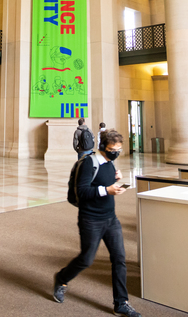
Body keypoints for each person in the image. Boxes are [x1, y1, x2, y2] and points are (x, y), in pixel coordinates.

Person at [53, 130, 141, 317]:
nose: (115, 152)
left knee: (119, 259)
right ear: (102, 147)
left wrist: (115, 179)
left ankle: (121, 302)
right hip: (91, 219)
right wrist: (106, 190)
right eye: (112, 149)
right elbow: (83, 192)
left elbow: (103, 181)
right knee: (86, 259)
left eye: (118, 149)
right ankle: (61, 278)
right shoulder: (88, 163)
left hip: (111, 219)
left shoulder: (110, 163)